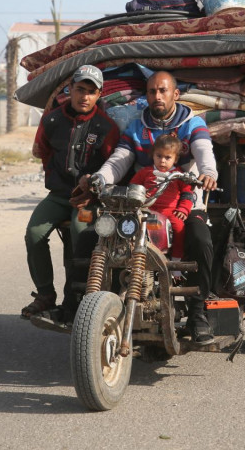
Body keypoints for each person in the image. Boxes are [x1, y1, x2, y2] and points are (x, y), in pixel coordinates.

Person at [81, 70, 219, 344]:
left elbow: (204, 151)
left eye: (163, 91)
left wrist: (209, 173)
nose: (157, 96)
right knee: (93, 237)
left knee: (201, 240)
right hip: (143, 207)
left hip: (185, 204)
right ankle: (83, 307)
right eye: (152, 91)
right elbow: (119, 160)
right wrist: (100, 177)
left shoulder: (192, 123)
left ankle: (197, 312)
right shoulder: (135, 126)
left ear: (175, 94)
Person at [22, 65, 120, 322]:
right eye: (80, 89)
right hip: (57, 196)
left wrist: (96, 193)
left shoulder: (106, 126)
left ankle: (79, 299)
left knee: (81, 235)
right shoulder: (51, 119)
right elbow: (42, 152)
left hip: (89, 201)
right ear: (70, 89)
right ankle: (45, 294)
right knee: (33, 234)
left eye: (91, 91)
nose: (84, 96)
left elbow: (115, 166)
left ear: (99, 95)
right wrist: (55, 178)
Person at [129, 134, 194, 259]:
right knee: (132, 226)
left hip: (169, 212)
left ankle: (176, 260)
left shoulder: (179, 175)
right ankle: (133, 256)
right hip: (146, 210)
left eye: (167, 157)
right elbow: (132, 188)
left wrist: (183, 209)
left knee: (179, 227)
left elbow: (188, 194)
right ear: (152, 155)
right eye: (159, 156)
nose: (162, 161)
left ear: (175, 159)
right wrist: (141, 194)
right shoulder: (145, 172)